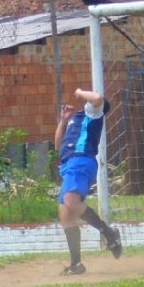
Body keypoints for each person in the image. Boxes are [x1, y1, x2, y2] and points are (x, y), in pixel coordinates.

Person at [55, 88, 123, 275]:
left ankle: (108, 233)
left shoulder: (92, 115)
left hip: (81, 160)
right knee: (65, 214)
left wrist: (78, 91)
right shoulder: (75, 119)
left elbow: (97, 98)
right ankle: (76, 264)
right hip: (68, 165)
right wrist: (63, 121)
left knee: (70, 201)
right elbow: (58, 144)